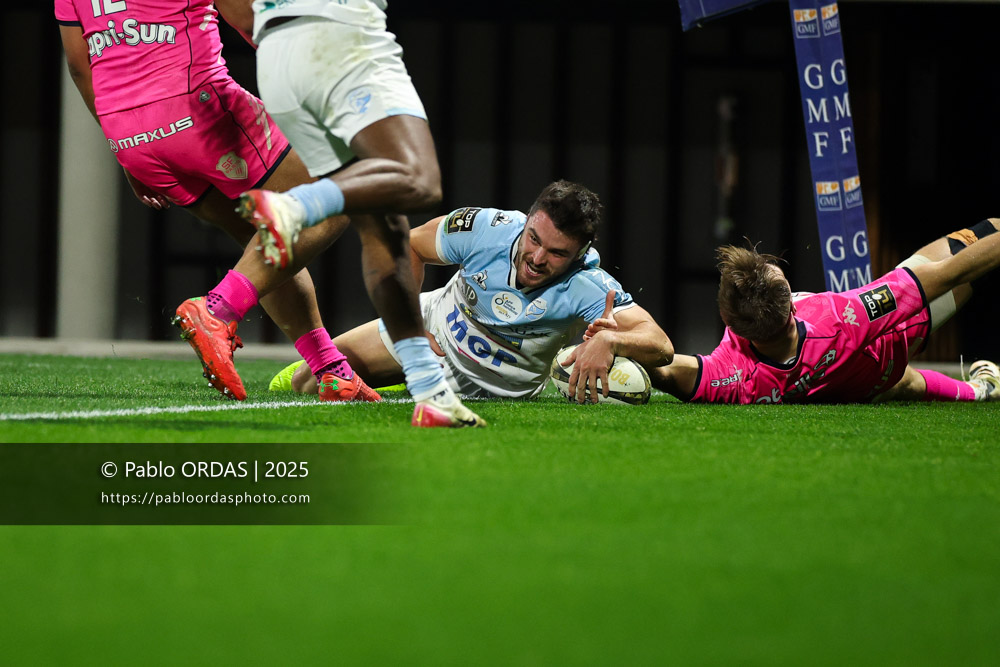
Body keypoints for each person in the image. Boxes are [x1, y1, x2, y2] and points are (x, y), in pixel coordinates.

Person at [55, 0, 378, 404]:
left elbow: (78, 64)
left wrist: (125, 152)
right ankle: (218, 311)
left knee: (261, 245)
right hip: (197, 108)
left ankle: (332, 371)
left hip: (128, 134)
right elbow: (246, 18)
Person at [223, 0, 487, 426]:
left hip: (276, 56)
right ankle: (297, 206)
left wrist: (284, 38)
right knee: (418, 178)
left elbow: (233, 10)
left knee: (384, 225)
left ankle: (430, 392)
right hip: (341, 39)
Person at [273, 181, 675, 407]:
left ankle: (401, 382)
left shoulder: (588, 285)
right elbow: (409, 245)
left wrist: (610, 337)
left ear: (580, 253)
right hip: (436, 327)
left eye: (556, 253)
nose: (536, 258)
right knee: (310, 381)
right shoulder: (484, 228)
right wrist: (409, 327)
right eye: (533, 239)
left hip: (498, 386)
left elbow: (661, 345)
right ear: (527, 218)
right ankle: (403, 373)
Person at [641, 219, 1000, 404]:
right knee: (971, 249)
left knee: (902, 384)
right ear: (790, 306)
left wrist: (612, 346)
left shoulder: (734, 375)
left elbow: (670, 371)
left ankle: (981, 390)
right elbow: (943, 276)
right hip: (901, 334)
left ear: (729, 320)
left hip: (858, 385)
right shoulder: (839, 317)